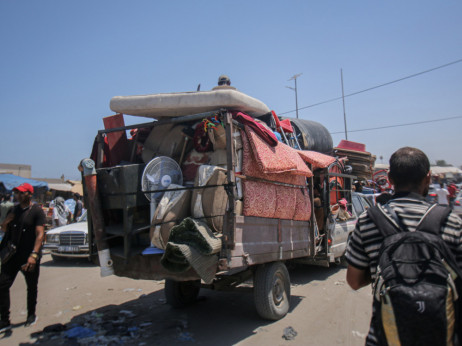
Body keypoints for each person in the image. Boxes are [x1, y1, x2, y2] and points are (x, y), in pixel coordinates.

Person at [345, 147, 462, 344]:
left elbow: (354, 281)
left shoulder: (368, 221)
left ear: (389, 179)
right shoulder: (451, 221)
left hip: (386, 337)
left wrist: (379, 271)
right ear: (428, 179)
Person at [0, 183, 46, 332]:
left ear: (29, 194)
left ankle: (31, 315)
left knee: (31, 287)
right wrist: (6, 222)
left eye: (21, 193)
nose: (18, 196)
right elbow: (5, 229)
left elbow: (40, 234)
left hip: (28, 255)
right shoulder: (13, 210)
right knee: (2, 285)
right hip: (12, 256)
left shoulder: (37, 211)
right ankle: (4, 319)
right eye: (17, 193)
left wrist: (34, 255)